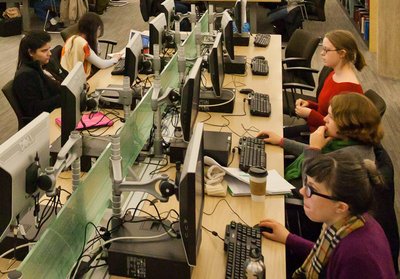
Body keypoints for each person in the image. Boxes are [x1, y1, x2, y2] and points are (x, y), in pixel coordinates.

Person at [258, 152, 396, 278]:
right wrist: (289, 238)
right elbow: (329, 256)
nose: (301, 191)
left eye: (311, 190)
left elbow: (341, 257)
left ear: (341, 206)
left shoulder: (358, 257)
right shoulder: (351, 221)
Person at [259, 93, 382, 183]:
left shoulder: (348, 159)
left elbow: (310, 186)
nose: (324, 119)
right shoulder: (346, 141)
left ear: (348, 124)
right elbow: (317, 156)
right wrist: (281, 141)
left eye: (331, 117)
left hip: (303, 195)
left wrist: (314, 149)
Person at [292, 30, 366, 133]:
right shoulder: (333, 73)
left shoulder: (349, 89)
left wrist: (310, 114)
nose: (322, 53)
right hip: (316, 129)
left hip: (325, 138)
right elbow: (326, 109)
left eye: (326, 50)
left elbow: (338, 130)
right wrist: (309, 105)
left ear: (342, 53)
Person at [13, 31, 62, 120]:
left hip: (56, 112)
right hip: (44, 121)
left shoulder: (45, 64)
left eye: (49, 49)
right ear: (31, 52)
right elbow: (34, 109)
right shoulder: (25, 77)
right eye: (44, 51)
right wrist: (64, 96)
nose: (50, 53)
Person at [60, 12, 121, 78]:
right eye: (99, 28)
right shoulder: (82, 44)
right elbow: (101, 64)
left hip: (71, 76)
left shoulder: (73, 38)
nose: (99, 31)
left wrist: (95, 39)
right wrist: (115, 59)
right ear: (94, 29)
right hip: (80, 80)